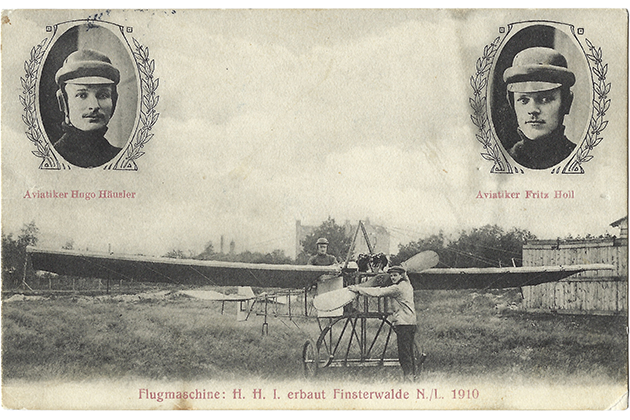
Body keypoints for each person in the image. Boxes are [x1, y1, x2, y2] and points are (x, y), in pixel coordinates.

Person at [503, 47, 577, 169]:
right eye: (524, 100)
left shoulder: (581, 159)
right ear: (512, 104)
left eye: (545, 99)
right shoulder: (503, 160)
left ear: (566, 103)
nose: (533, 110)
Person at [53, 49, 122, 168]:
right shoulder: (52, 157)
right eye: (82, 95)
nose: (94, 106)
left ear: (114, 101)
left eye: (103, 95)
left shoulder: (120, 157)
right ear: (63, 102)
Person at [349, 266, 417, 381]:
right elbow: (405, 277)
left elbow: (378, 292)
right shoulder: (408, 285)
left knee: (404, 353)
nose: (392, 278)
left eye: (395, 275)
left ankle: (408, 377)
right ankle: (413, 375)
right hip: (411, 322)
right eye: (391, 276)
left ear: (401, 275)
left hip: (402, 323)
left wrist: (357, 289)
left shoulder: (397, 288)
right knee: (409, 351)